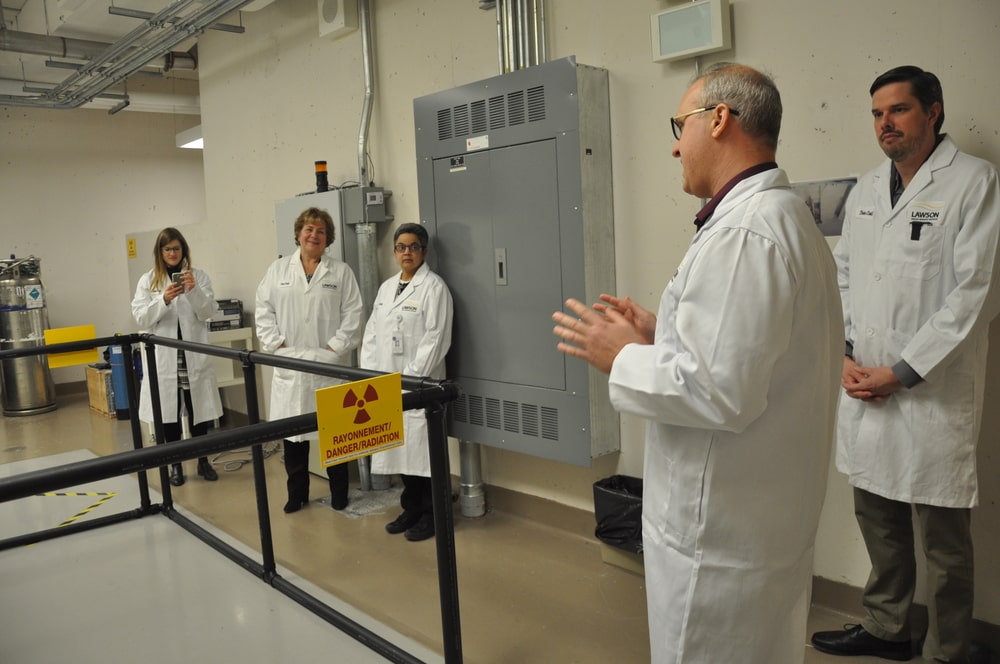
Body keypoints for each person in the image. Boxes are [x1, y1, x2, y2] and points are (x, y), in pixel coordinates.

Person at [552, 63, 843, 664]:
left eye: (679, 124)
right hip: (761, 521)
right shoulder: (780, 218)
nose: (674, 144)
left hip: (718, 537)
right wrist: (666, 334)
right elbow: (755, 351)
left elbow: (719, 393)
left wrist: (624, 357)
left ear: (719, 119)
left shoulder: (748, 233)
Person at [811, 66, 1000, 664]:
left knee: (943, 541)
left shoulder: (973, 183)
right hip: (864, 383)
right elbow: (843, 277)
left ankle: (948, 651)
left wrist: (903, 371)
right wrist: (842, 353)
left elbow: (976, 293)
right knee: (877, 516)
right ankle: (887, 628)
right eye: (876, 114)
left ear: (933, 111)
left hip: (930, 391)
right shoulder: (867, 190)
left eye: (898, 110)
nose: (884, 124)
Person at [255, 207, 364, 513]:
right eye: (308, 229)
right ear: (298, 234)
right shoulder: (277, 271)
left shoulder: (340, 272)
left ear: (328, 238)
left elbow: (353, 316)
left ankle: (340, 493)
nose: (314, 235)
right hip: (290, 365)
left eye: (320, 231)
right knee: (293, 437)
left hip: (328, 366)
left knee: (336, 436)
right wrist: (279, 345)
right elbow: (264, 310)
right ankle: (297, 494)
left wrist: (332, 350)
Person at [360, 223, 453, 542]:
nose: (407, 252)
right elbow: (371, 333)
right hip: (386, 383)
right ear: (394, 251)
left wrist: (410, 378)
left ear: (424, 251)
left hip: (419, 386)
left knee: (424, 455)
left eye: (413, 247)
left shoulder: (435, 288)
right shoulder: (386, 289)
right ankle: (411, 508)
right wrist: (371, 375)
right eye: (401, 247)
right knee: (399, 449)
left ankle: (434, 514)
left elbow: (436, 338)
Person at [132, 227, 223, 486]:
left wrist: (194, 291)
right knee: (169, 415)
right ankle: (175, 466)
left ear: (184, 250)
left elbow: (207, 313)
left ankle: (203, 461)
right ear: (160, 253)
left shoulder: (199, 277)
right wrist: (163, 300)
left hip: (192, 355)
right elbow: (141, 317)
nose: (172, 253)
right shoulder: (148, 281)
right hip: (165, 358)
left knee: (199, 412)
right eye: (167, 249)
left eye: (177, 248)